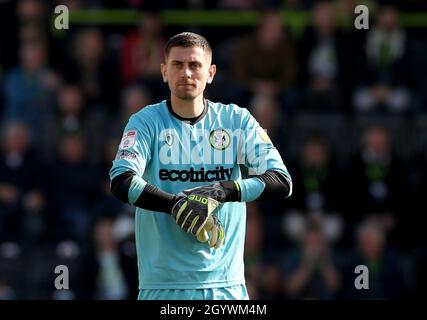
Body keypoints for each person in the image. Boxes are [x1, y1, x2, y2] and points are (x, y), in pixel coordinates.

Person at [109, 32, 292, 300]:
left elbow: (281, 181)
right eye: (177, 65)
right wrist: (177, 206)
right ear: (164, 71)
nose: (186, 73)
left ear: (211, 72)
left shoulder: (236, 120)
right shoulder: (145, 122)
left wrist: (222, 190)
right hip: (162, 287)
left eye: (194, 65)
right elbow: (121, 181)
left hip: (225, 288)